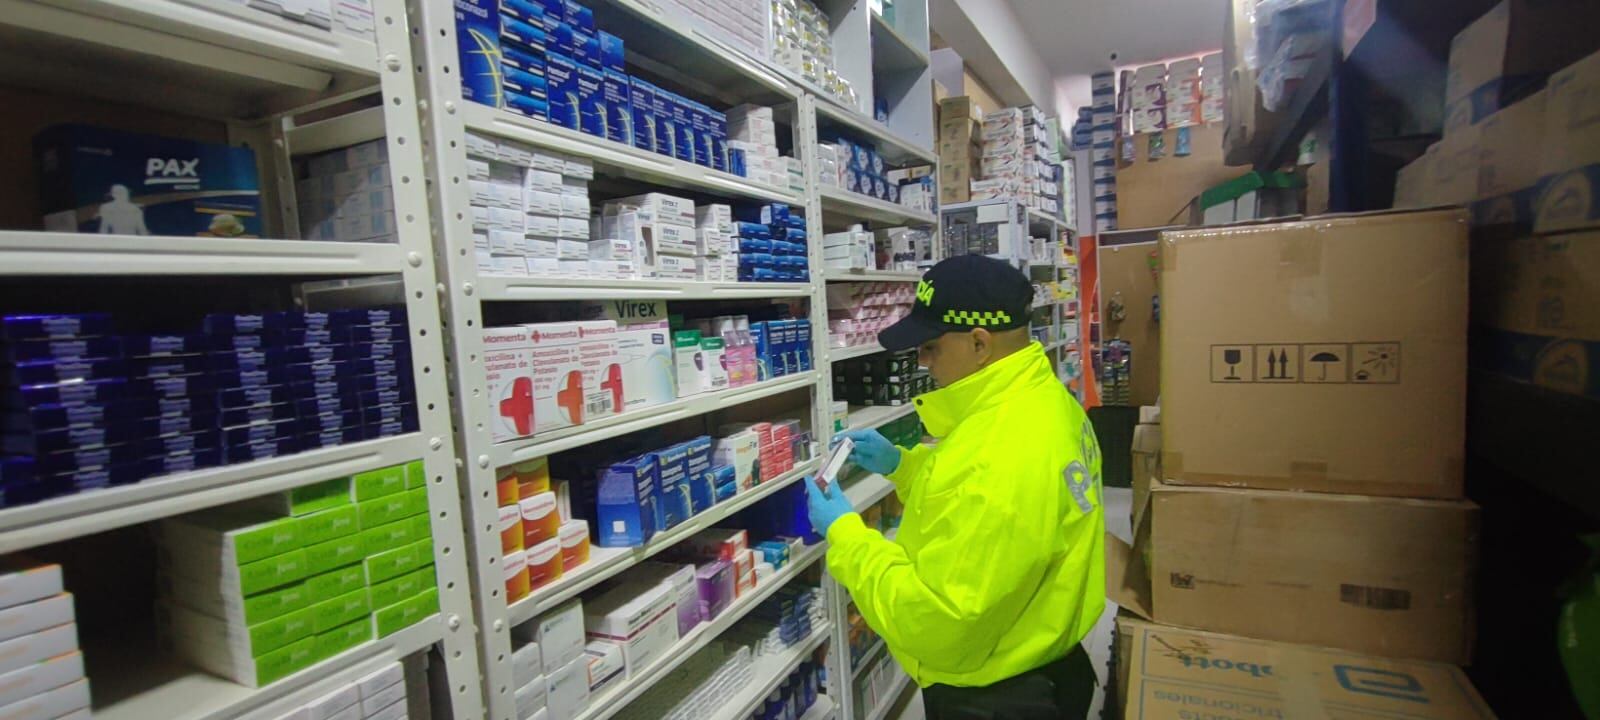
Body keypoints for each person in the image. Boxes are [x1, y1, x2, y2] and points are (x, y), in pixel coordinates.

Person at [805, 254, 1106, 719]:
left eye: (931, 347)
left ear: (980, 343)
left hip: (998, 692)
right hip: (1039, 648)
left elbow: (937, 620)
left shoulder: (1003, 452)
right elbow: (971, 493)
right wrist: (902, 465)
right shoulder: (1039, 401)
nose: (922, 362)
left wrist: (845, 533)